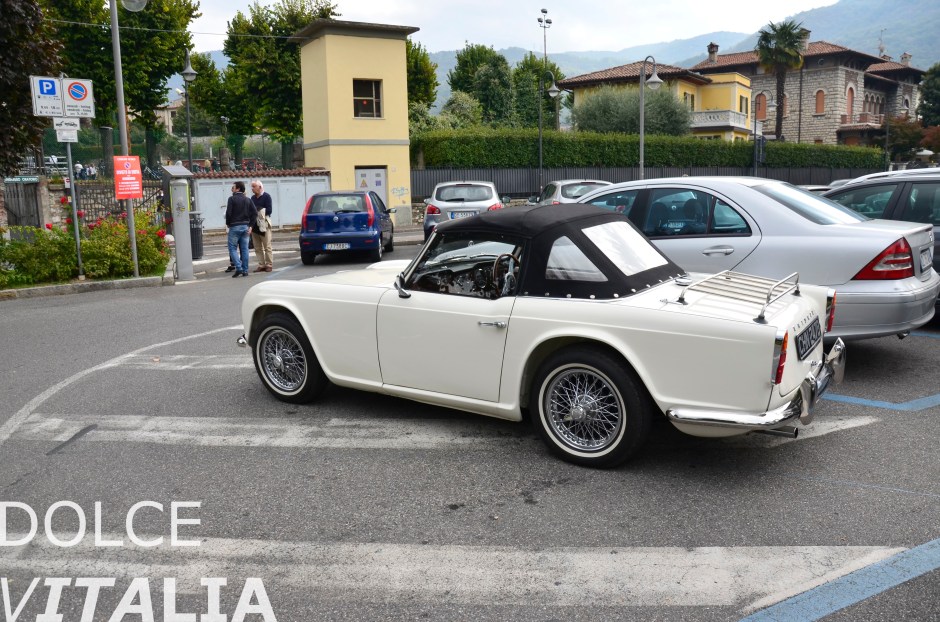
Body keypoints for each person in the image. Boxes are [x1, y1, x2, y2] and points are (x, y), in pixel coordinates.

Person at [225, 181, 257, 278]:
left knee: (232, 248)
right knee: (244, 249)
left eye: (233, 187)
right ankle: (245, 270)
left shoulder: (231, 199)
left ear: (238, 188)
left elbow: (228, 213)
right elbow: (255, 213)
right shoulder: (248, 200)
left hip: (234, 226)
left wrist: (228, 224)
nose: (232, 189)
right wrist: (251, 226)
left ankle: (239, 268)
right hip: (246, 227)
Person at [249, 180, 274, 272]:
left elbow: (269, 210)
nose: (252, 189)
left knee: (267, 245)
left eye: (254, 186)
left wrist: (258, 211)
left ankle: (269, 264)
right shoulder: (252, 198)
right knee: (257, 246)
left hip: (264, 223)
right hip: (255, 223)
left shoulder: (267, 196)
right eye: (252, 187)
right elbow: (250, 210)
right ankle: (261, 264)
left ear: (260, 187)